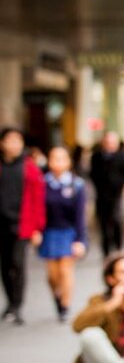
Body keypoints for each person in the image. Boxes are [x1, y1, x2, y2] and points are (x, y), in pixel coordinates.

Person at [0, 127, 45, 325]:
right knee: (4, 265)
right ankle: (9, 303)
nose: (13, 144)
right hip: (1, 224)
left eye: (17, 140)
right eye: (9, 140)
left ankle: (17, 305)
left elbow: (38, 200)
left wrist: (37, 228)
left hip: (21, 225)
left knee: (18, 264)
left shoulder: (29, 168)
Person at [40, 147, 88, 322]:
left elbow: (80, 216)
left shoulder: (77, 185)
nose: (58, 162)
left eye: (62, 158)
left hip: (69, 232)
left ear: (68, 162)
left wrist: (80, 240)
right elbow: (37, 209)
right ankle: (58, 297)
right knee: (52, 275)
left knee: (65, 270)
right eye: (54, 158)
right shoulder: (43, 183)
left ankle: (65, 306)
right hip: (49, 232)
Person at [89, 131, 124, 256]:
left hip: (116, 194)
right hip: (102, 195)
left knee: (116, 220)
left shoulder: (122, 156)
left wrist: (121, 185)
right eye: (108, 142)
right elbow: (93, 173)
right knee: (103, 222)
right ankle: (106, 249)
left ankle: (118, 247)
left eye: (113, 142)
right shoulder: (97, 156)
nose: (110, 145)